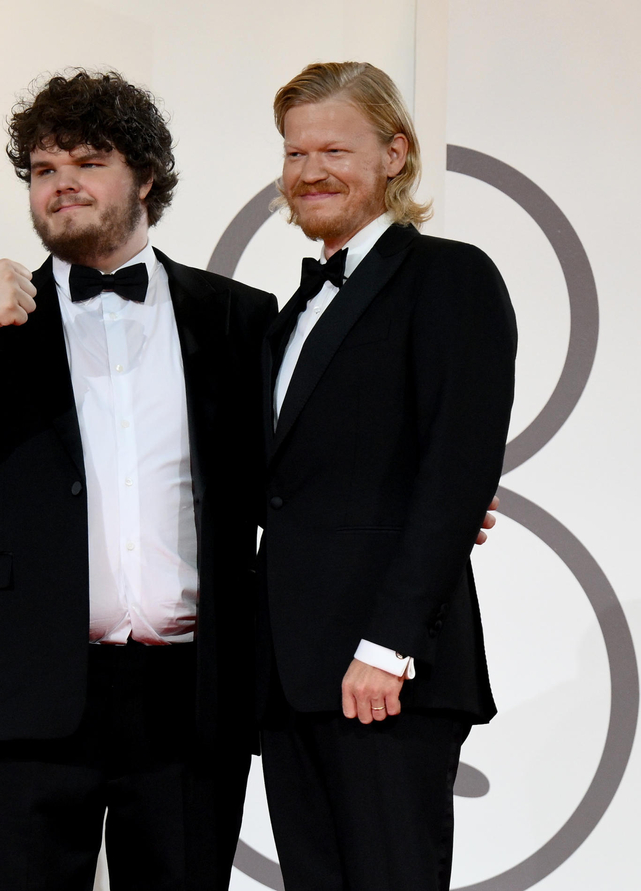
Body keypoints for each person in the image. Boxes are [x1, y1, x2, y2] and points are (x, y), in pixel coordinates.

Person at [0, 70, 275, 890]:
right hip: (26, 692)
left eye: (87, 162)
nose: (59, 183)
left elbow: (295, 469)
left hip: (189, 696)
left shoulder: (237, 318)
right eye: (40, 169)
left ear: (145, 177)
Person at [257, 61, 516, 891]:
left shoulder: (451, 277)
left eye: (334, 148)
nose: (310, 172)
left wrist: (388, 644)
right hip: (292, 674)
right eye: (295, 154)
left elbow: (455, 471)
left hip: (386, 674)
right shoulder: (289, 312)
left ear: (395, 154)